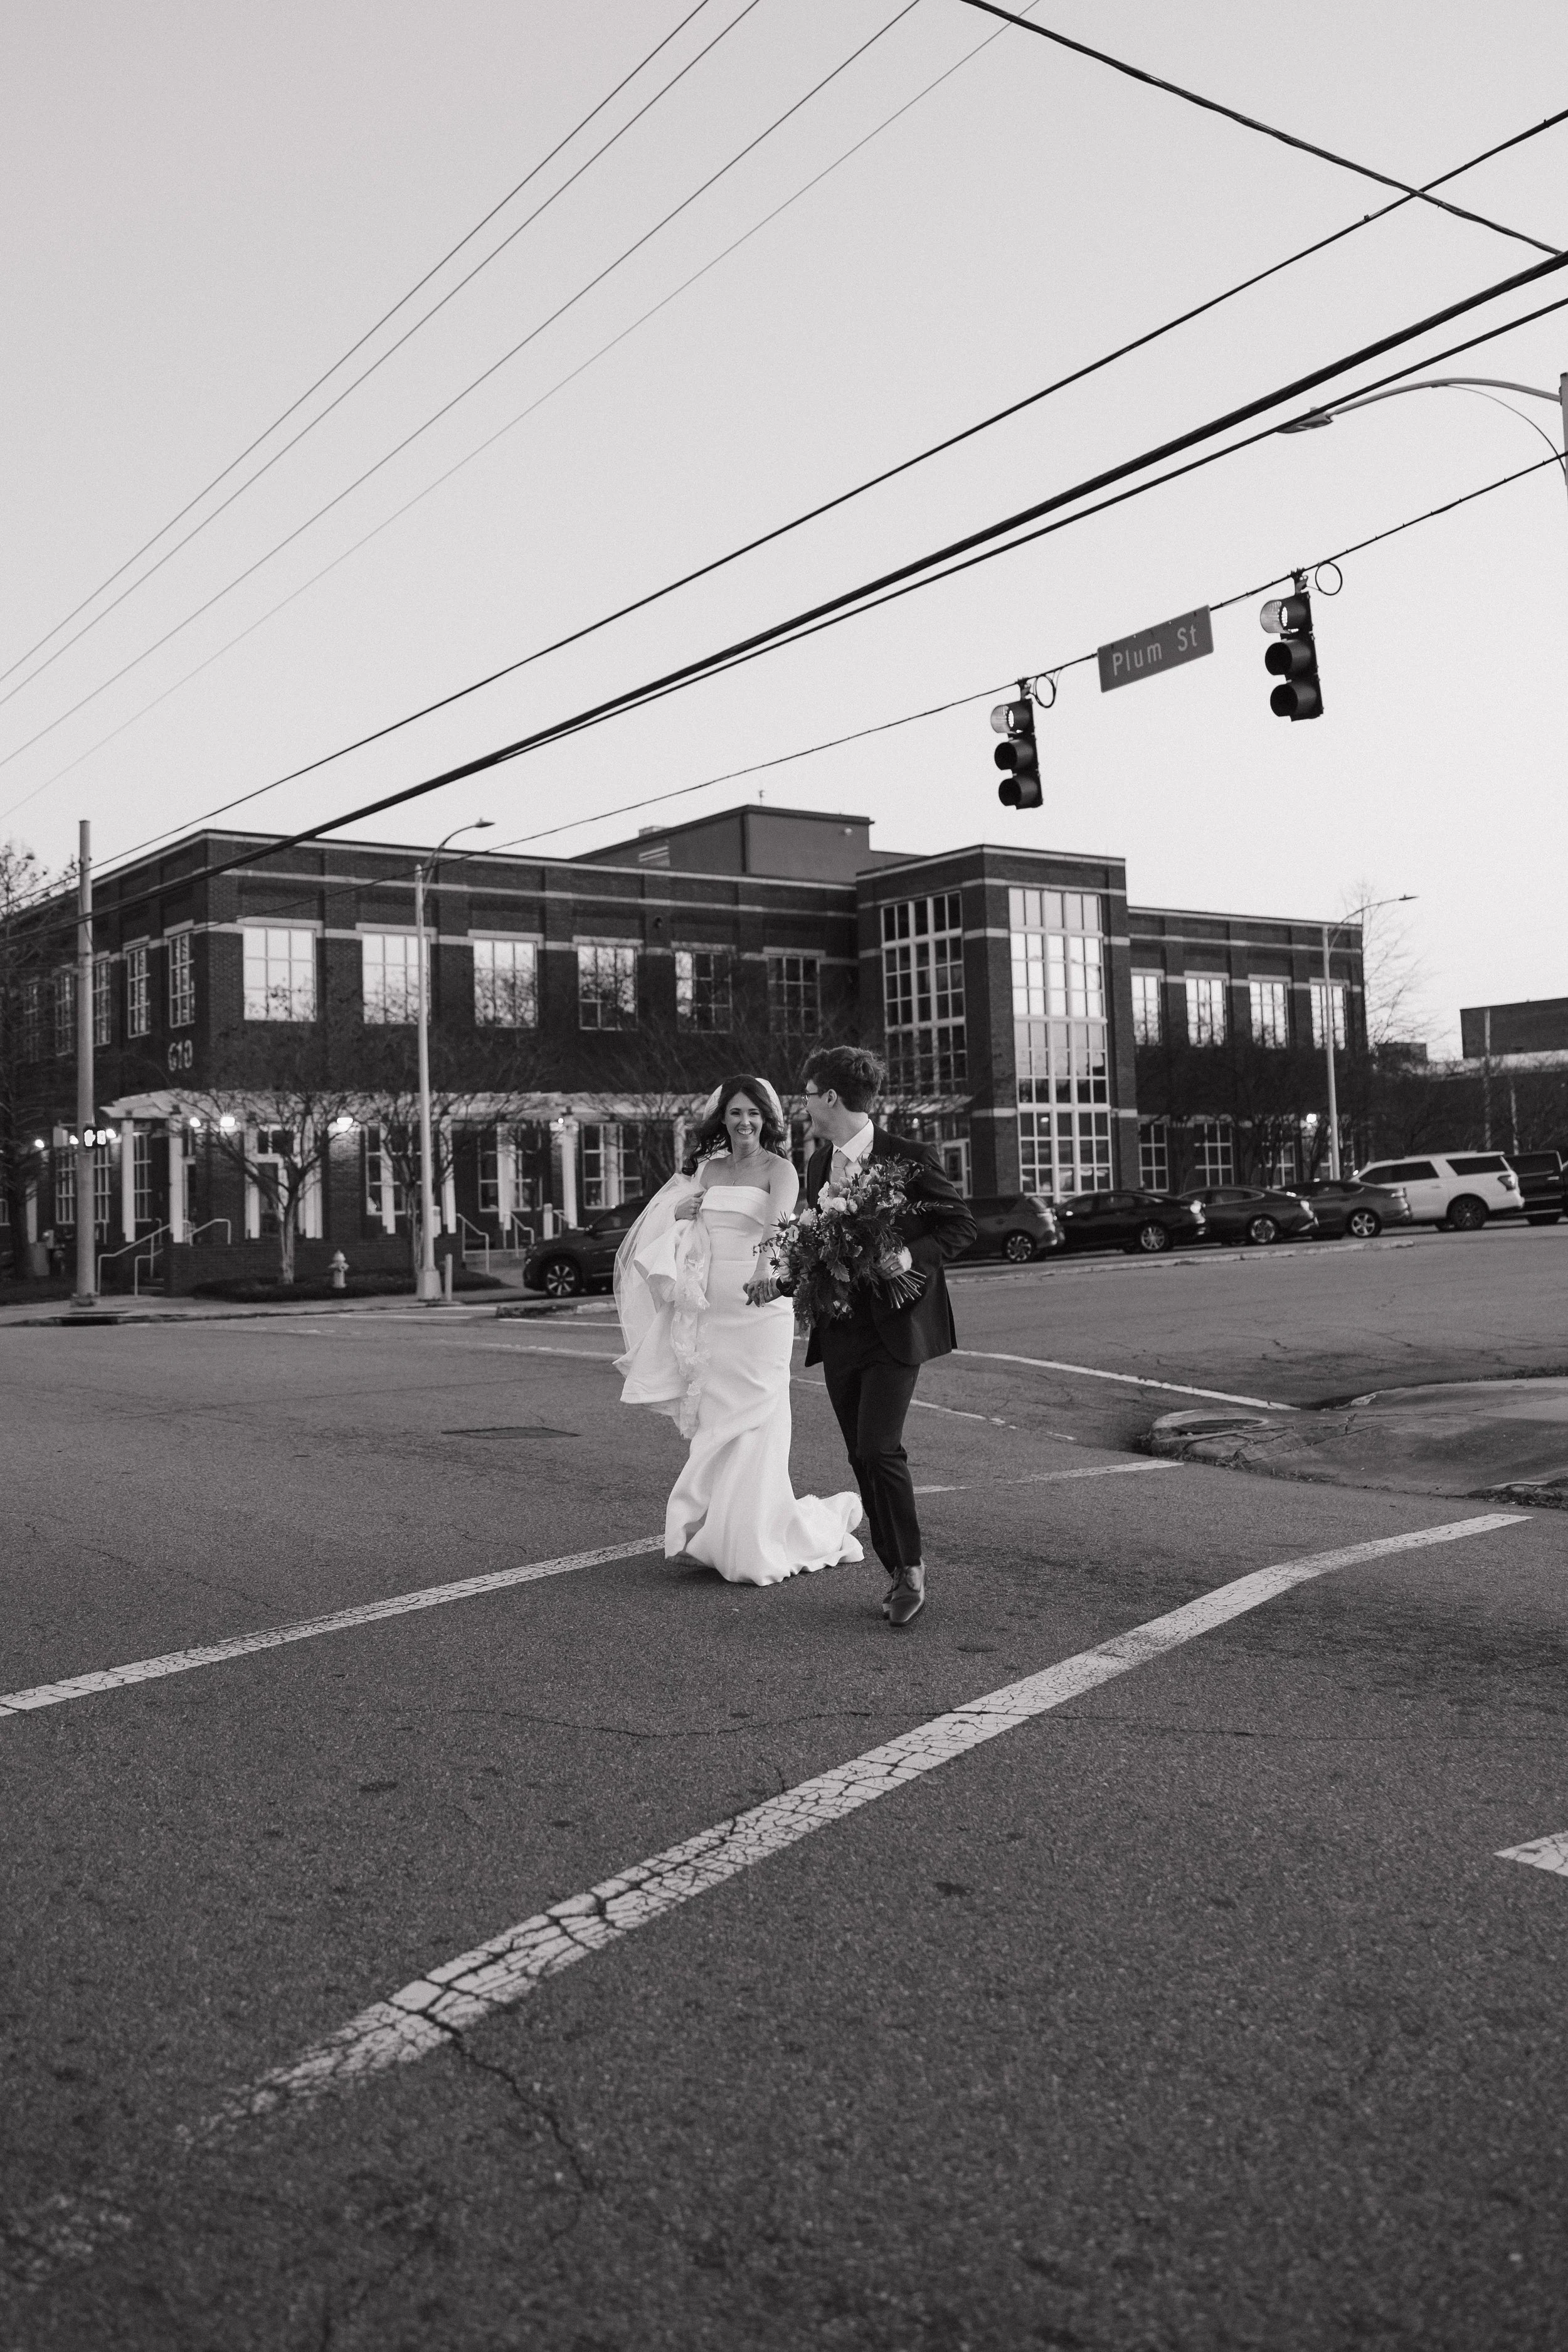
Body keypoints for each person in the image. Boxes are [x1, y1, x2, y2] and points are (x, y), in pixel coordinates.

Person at [752, 1044, 975, 1628]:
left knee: (880, 1447)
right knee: (858, 1453)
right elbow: (821, 1245)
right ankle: (893, 1564)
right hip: (841, 1329)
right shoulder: (821, 1165)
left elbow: (960, 1226)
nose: (803, 1106)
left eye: (807, 1094)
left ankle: (909, 1571)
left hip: (899, 1329)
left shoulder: (909, 1156)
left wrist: (908, 1252)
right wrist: (784, 1281)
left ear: (830, 1097)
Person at [615, 1073, 863, 1587]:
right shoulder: (707, 1170)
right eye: (735, 1113)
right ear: (722, 1119)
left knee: (756, 1418)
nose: (744, 1121)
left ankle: (752, 1537)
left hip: (758, 1308)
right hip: (710, 1310)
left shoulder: (780, 1170)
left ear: (765, 1120)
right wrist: (681, 1210)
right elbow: (679, 1227)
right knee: (718, 1418)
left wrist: (764, 1269)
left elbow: (779, 1227)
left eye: (753, 1113)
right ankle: (721, 1530)